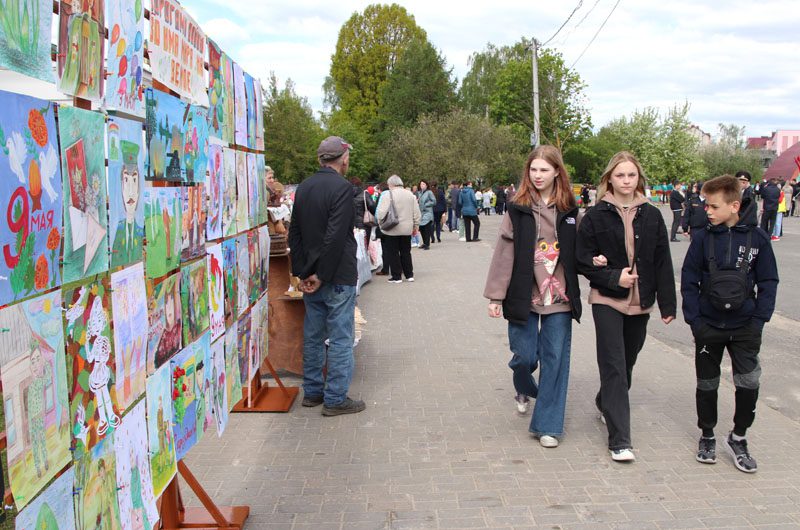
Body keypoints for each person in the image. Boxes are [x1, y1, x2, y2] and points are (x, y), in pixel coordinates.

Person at [576, 151, 676, 463]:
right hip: (607, 299)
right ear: (610, 179)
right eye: (620, 175)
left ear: (639, 179)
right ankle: (620, 440)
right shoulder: (595, 215)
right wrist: (610, 275)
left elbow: (662, 260)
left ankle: (605, 401)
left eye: (631, 175)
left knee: (628, 362)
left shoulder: (652, 214)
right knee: (614, 365)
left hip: (641, 301)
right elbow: (580, 259)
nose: (626, 181)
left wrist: (668, 303)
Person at [483, 145, 582, 448]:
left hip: (560, 296)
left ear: (556, 172)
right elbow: (503, 253)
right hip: (523, 294)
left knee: (555, 360)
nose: (538, 175)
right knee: (526, 356)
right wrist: (495, 297)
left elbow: (583, 247)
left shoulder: (570, 209)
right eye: (533, 169)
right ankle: (524, 385)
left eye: (544, 170)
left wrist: (600, 262)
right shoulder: (517, 207)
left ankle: (549, 425)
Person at [681, 174, 778, 473]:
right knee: (706, 384)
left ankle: (738, 437)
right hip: (709, 326)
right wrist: (694, 320)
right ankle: (707, 434)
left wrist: (759, 320)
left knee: (748, 384)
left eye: (712, 206)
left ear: (734, 205)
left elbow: (769, 280)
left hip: (745, 326)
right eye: (705, 205)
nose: (706, 211)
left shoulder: (758, 239)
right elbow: (688, 279)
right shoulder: (702, 238)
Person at [288, 136, 365, 416]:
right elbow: (334, 237)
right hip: (335, 274)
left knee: (314, 335)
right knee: (341, 337)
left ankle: (313, 391)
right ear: (343, 158)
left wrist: (302, 272)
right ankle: (334, 398)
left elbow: (294, 232)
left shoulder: (305, 187)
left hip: (313, 274)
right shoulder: (343, 188)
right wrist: (319, 273)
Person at [376, 175, 421, 283]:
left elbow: (381, 212)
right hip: (407, 228)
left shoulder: (388, 194)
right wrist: (416, 226)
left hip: (392, 229)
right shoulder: (410, 195)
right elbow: (417, 213)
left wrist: (380, 223)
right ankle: (409, 274)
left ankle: (397, 276)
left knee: (393, 252)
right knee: (406, 251)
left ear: (391, 184)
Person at [417, 179, 436, 250]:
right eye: (421, 184)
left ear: (426, 185)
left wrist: (426, 204)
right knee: (421, 228)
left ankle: (427, 244)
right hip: (421, 213)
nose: (422, 185)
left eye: (423, 184)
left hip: (428, 213)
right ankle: (424, 243)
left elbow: (434, 201)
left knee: (426, 228)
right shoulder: (420, 193)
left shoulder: (429, 192)